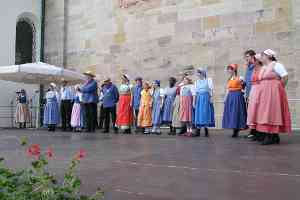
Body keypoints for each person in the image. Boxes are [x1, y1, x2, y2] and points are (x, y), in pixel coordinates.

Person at [249, 49, 291, 145]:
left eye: (263, 56)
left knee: (271, 112)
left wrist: (279, 88)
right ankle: (274, 136)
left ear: (269, 56)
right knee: (265, 112)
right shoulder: (264, 67)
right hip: (265, 93)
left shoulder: (276, 65)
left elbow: (285, 76)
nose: (262, 57)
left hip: (273, 92)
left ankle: (271, 136)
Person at [222, 64, 247, 138]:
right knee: (231, 113)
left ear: (234, 70)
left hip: (237, 96)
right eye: (228, 69)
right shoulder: (229, 79)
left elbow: (244, 86)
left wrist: (243, 92)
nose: (229, 70)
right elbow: (227, 89)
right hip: (230, 96)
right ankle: (234, 129)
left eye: (230, 69)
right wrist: (225, 98)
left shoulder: (240, 78)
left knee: (236, 112)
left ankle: (236, 129)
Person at [246, 53, 264, 141]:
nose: (254, 61)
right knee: (253, 112)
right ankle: (256, 132)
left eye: (255, 60)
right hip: (253, 91)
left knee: (259, 112)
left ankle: (261, 133)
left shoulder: (262, 69)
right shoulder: (254, 70)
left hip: (260, 91)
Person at [193, 68, 215, 137]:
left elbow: (211, 90)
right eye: (197, 73)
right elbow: (195, 92)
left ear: (202, 73)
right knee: (199, 113)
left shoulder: (208, 80)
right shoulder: (196, 82)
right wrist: (194, 101)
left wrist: (211, 98)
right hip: (199, 98)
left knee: (205, 112)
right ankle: (198, 130)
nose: (197, 74)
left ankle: (206, 129)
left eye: (199, 73)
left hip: (206, 98)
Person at [243, 50, 256, 139]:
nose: (246, 58)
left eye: (247, 56)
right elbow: (247, 80)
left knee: (255, 113)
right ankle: (252, 131)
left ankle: (256, 132)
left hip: (255, 93)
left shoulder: (256, 66)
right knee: (250, 114)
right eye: (245, 57)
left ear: (253, 56)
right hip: (248, 93)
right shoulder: (248, 67)